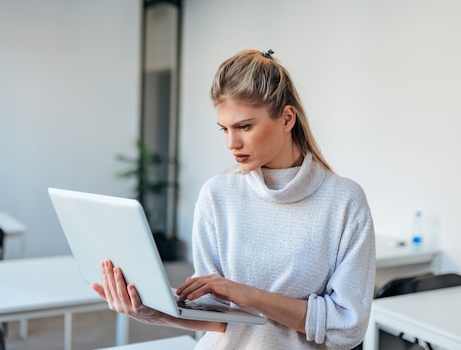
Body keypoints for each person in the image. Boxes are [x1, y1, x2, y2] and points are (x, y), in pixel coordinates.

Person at [92, 49, 376, 349]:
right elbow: (218, 317)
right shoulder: (217, 195)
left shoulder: (344, 201)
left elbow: (348, 327)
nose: (231, 143)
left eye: (244, 126)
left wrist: (252, 296)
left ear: (287, 118)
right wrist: (154, 313)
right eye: (224, 129)